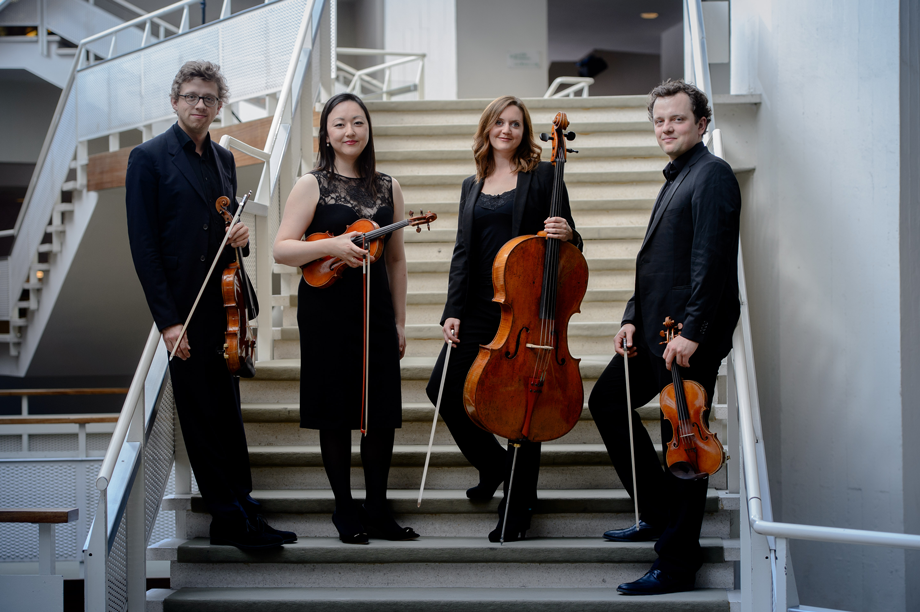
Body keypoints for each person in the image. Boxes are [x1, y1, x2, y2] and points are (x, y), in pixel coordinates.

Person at [126, 60, 295, 550]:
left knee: (227, 409)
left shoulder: (223, 160)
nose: (200, 105)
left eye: (209, 99)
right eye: (191, 96)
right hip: (185, 307)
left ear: (219, 105)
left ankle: (242, 508)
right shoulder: (148, 158)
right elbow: (145, 248)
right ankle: (228, 516)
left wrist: (238, 238)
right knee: (200, 412)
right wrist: (168, 322)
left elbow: (224, 230)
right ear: (175, 100)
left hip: (223, 303)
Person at [587, 80, 741, 595]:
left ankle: (677, 565)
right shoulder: (678, 176)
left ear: (702, 123)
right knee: (608, 402)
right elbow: (656, 264)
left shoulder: (713, 174)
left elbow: (711, 262)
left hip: (687, 338)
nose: (666, 128)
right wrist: (631, 315)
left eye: (677, 119)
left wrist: (694, 333)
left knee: (685, 451)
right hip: (655, 331)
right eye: (659, 120)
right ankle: (656, 514)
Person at [426, 95, 583, 542]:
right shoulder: (471, 184)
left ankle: (516, 510)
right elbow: (462, 253)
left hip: (527, 308)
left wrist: (569, 234)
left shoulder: (545, 175)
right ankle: (496, 467)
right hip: (478, 305)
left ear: (525, 130)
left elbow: (570, 248)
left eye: (515, 123)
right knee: (442, 389)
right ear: (487, 129)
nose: (507, 130)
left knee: (523, 408)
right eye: (499, 122)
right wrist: (452, 310)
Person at [273, 92, 417, 545]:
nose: (350, 131)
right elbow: (282, 248)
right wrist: (330, 246)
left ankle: (377, 507)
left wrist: (399, 322)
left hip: (375, 309)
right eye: (340, 124)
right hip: (326, 309)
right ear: (327, 134)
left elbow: (395, 261)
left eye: (357, 122)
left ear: (368, 129)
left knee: (379, 410)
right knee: (335, 409)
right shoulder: (311, 184)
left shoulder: (388, 186)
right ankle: (344, 509)